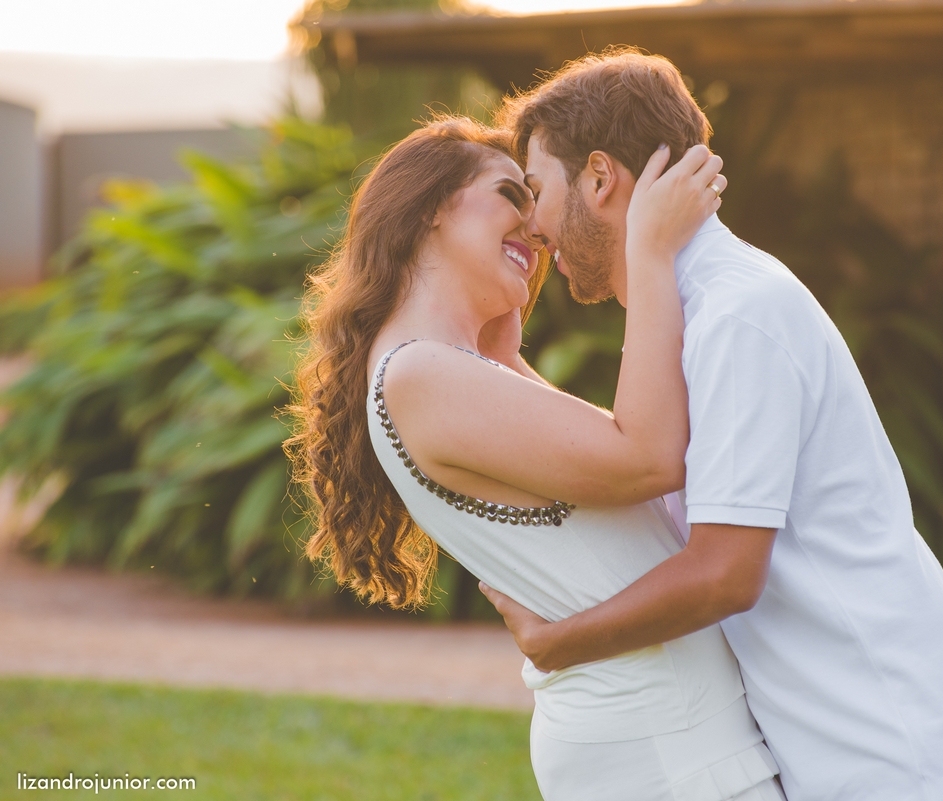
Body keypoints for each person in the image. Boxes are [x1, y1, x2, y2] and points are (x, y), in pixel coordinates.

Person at [480, 50, 943, 801]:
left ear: (600, 178)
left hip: (901, 755)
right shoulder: (690, 310)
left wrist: (558, 643)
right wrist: (500, 362)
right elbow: (627, 459)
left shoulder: (738, 314)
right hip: (850, 751)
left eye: (538, 189)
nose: (534, 224)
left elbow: (724, 571)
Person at [287, 115, 786, 801]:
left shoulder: (437, 370)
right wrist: (649, 250)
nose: (536, 225)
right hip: (663, 751)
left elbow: (604, 490)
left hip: (666, 742)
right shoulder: (419, 374)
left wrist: (504, 356)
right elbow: (648, 457)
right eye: (508, 195)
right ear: (431, 208)